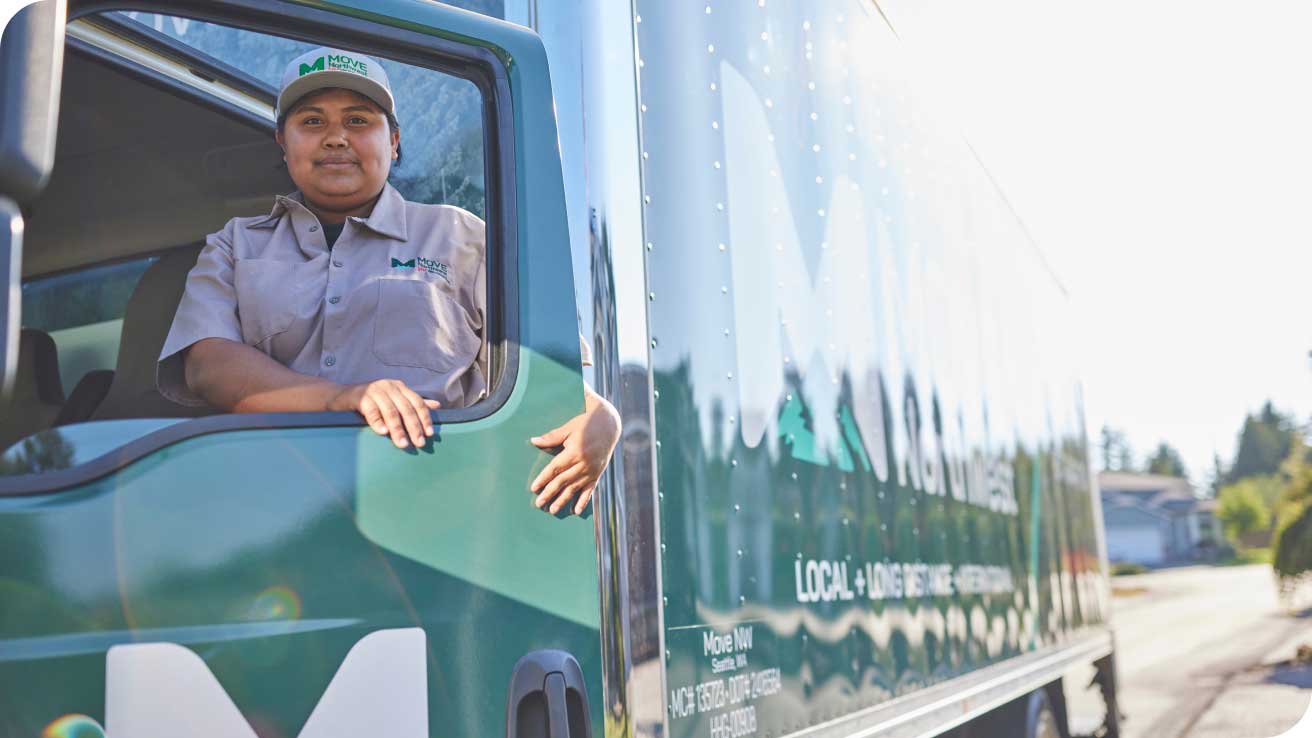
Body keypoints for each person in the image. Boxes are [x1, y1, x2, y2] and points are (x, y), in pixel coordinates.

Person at [156, 48, 618, 516]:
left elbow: (545, 372)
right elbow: (208, 366)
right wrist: (343, 398)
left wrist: (602, 417)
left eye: (358, 121)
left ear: (393, 141)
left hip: (436, 507)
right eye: (312, 122)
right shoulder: (234, 245)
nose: (335, 138)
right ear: (283, 141)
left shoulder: (463, 237)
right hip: (271, 510)